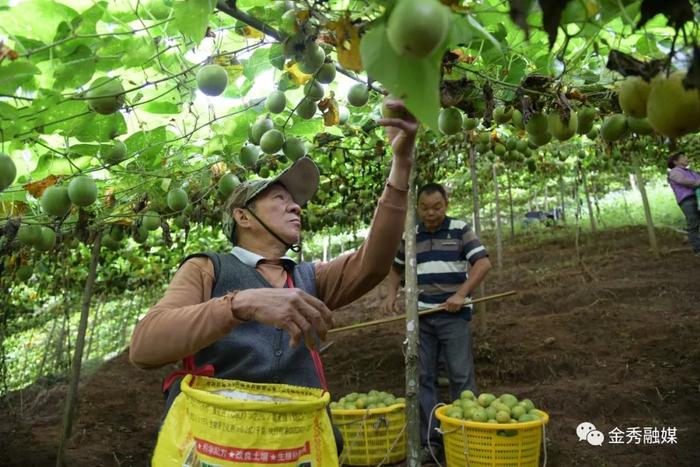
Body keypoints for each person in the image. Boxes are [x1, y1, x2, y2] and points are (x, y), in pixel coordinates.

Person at [129, 98, 418, 456]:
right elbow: (144, 347)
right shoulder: (207, 269)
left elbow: (374, 263)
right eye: (279, 198)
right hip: (221, 450)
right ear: (243, 217)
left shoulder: (310, 277)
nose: (295, 206)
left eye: (295, 201)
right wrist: (240, 304)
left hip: (295, 449)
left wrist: (401, 165)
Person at [381, 182, 492, 463]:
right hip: (420, 319)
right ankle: (432, 442)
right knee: (423, 378)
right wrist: (390, 295)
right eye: (425, 208)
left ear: (446, 205)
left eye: (437, 207)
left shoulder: (460, 229)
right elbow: (396, 269)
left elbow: (482, 264)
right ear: (417, 208)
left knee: (460, 375)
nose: (431, 213)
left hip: (453, 316)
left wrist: (460, 295)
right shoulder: (411, 234)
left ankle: (465, 436)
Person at [667, 151, 700, 255]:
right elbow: (683, 181)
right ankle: (697, 249)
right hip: (687, 200)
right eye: (683, 157)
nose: (686, 158)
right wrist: (697, 182)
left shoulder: (691, 172)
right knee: (693, 223)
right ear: (675, 162)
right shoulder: (675, 172)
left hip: (697, 197)